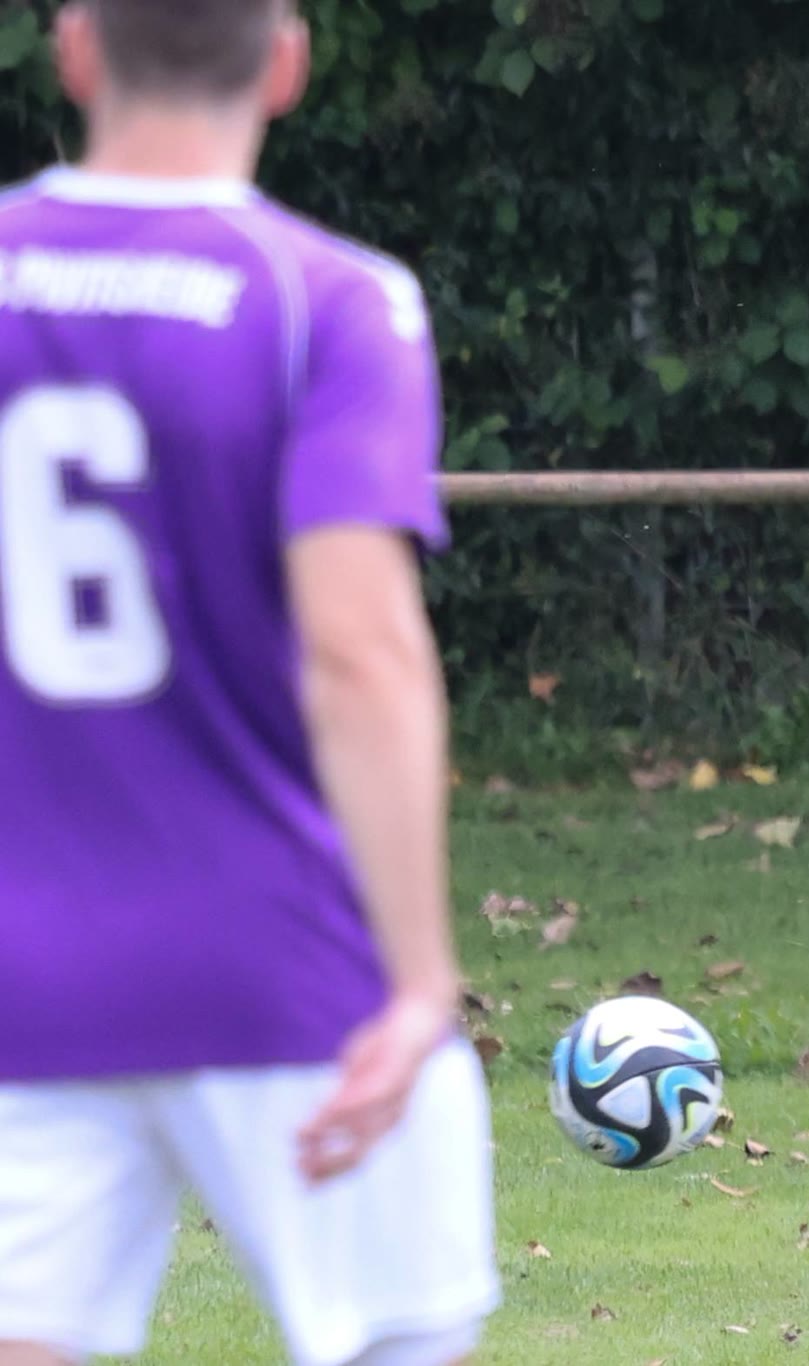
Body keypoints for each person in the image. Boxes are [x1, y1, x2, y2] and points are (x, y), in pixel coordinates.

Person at [0, 3, 497, 1362]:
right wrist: (419, 979)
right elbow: (359, 651)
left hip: (22, 974)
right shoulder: (325, 299)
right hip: (280, 960)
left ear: (76, 51)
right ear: (286, 62)